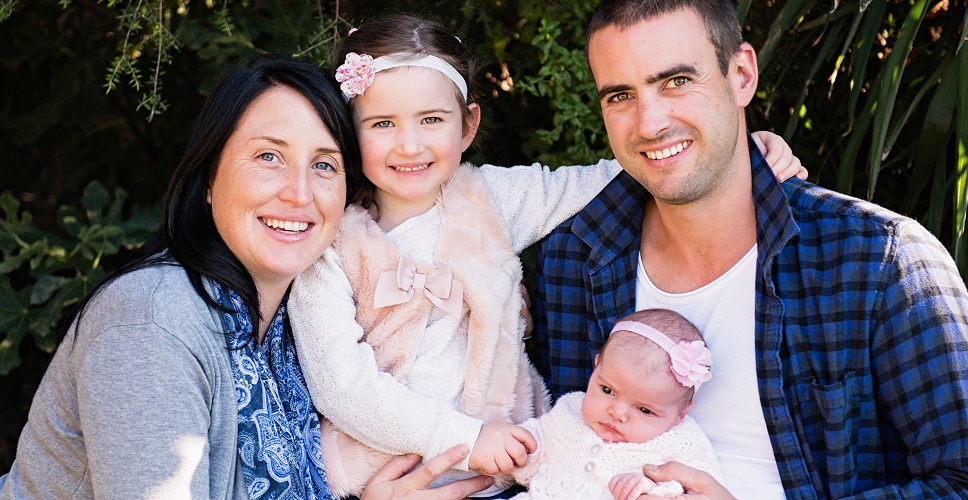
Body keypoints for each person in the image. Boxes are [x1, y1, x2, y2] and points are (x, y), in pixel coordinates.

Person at [286, 13, 807, 499]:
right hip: (389, 478)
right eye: (381, 124)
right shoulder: (327, 242)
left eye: (430, 119)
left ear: (467, 125)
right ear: (346, 133)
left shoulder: (491, 199)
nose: (409, 145)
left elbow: (614, 174)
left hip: (509, 475)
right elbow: (341, 384)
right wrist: (464, 437)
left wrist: (738, 148)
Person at [533, 0, 968, 498]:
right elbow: (539, 459)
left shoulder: (878, 261)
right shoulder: (573, 259)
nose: (649, 124)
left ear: (741, 75)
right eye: (621, 95)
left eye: (676, 82)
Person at [0, 56, 492, 500]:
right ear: (210, 177)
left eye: (324, 165)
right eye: (268, 157)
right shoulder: (152, 326)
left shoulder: (300, 325)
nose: (299, 193)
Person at [510, 309, 721, 500]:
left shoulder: (682, 441)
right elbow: (535, 444)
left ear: (680, 414)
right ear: (597, 366)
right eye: (607, 390)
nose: (617, 413)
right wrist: (511, 446)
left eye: (645, 410)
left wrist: (649, 487)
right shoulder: (570, 411)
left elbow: (699, 486)